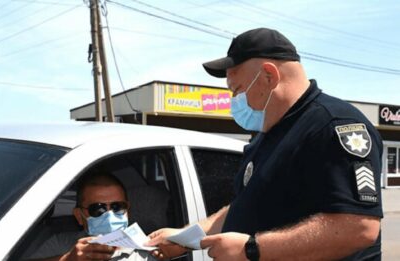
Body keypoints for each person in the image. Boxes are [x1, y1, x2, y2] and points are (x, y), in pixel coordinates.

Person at [147, 28, 383, 261]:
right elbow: (245, 205)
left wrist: (252, 249)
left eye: (237, 90)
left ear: (269, 76)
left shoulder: (333, 125)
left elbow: (359, 228)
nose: (234, 101)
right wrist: (186, 238)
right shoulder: (267, 135)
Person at [26, 170, 161, 261]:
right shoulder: (60, 244)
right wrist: (68, 259)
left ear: (128, 210)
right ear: (79, 216)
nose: (109, 216)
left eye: (117, 207)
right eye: (98, 209)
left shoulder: (147, 249)